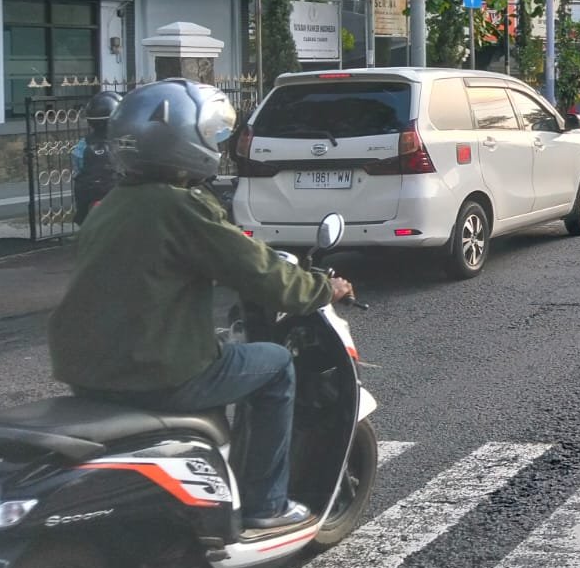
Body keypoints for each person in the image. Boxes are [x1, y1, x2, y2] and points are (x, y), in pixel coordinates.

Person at [48, 79, 355, 533]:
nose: (217, 146)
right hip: (152, 370)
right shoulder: (181, 206)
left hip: (87, 367)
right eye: (210, 137)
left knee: (217, 349)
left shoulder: (110, 204)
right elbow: (259, 272)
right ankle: (266, 504)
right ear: (185, 143)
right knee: (272, 364)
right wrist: (323, 289)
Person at [71, 89, 122, 223]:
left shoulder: (82, 145)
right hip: (116, 196)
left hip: (87, 197)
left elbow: (78, 168)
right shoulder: (123, 143)